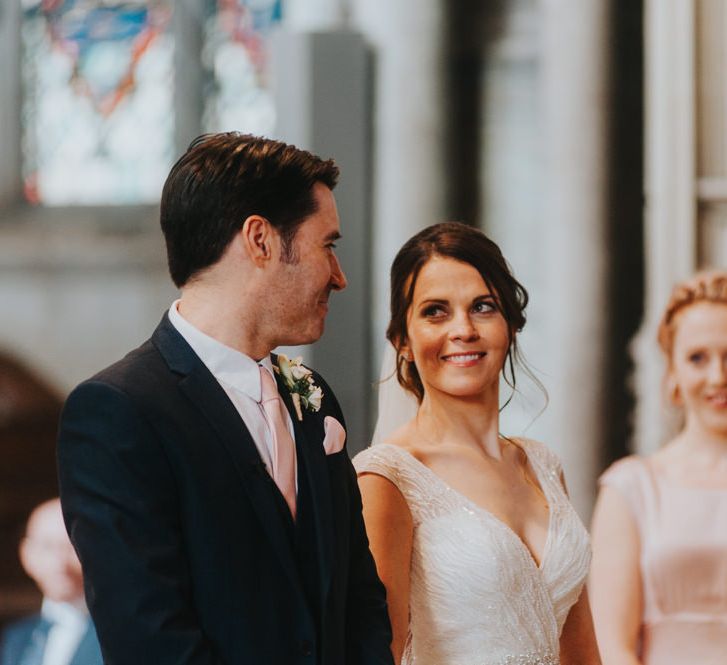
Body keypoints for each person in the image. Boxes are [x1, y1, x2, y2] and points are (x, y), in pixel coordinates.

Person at [57, 133, 393, 665]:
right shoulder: (119, 412)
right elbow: (151, 639)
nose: (340, 276)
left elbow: (360, 603)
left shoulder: (314, 400)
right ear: (259, 239)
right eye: (327, 245)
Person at [353, 222, 601, 665]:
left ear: (510, 325)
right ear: (402, 341)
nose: (463, 329)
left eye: (483, 307)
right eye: (435, 311)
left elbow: (581, 653)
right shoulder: (388, 477)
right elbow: (378, 653)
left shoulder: (542, 465)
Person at [590, 271, 727, 665]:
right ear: (673, 374)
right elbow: (612, 646)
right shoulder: (631, 487)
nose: (718, 376)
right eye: (698, 358)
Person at [0, 499, 102, 665]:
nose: (60, 562)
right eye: (48, 547)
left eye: (72, 547)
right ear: (26, 555)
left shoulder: (115, 633)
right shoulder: (16, 638)